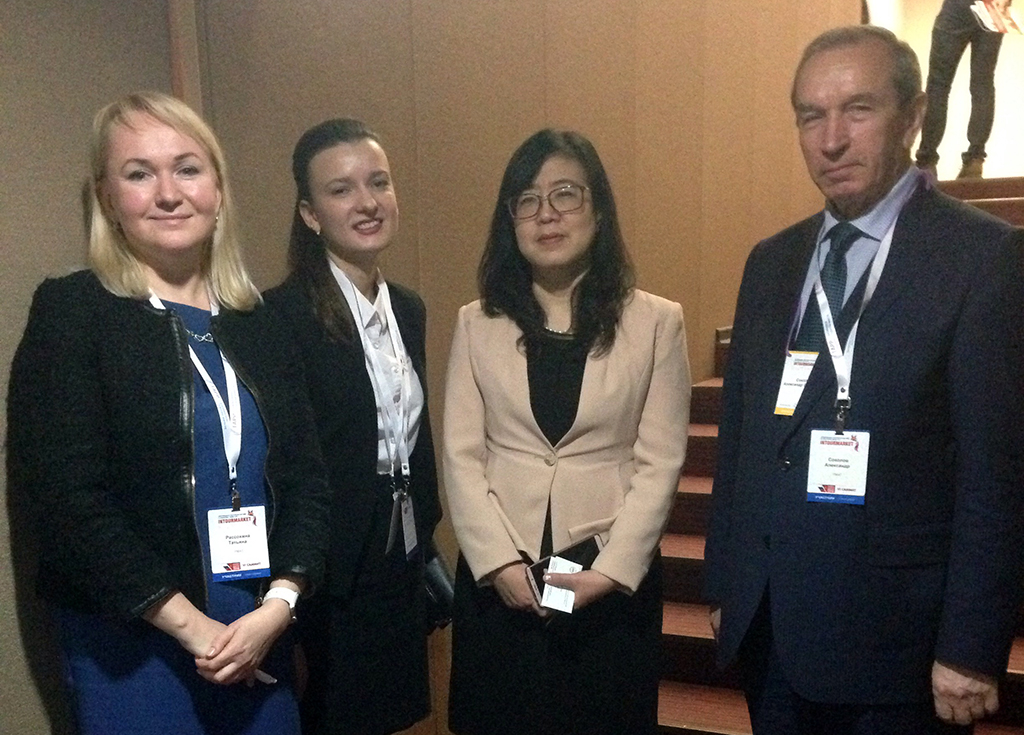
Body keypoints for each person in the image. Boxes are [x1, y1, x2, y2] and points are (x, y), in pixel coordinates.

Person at [703, 25, 1024, 734]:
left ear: (912, 117)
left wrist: (970, 647)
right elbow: (742, 441)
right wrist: (728, 583)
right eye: (810, 116)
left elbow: (996, 477)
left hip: (896, 647)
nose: (831, 139)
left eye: (858, 109)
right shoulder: (771, 262)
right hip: (772, 630)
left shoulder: (983, 259)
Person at [5, 91, 331, 735]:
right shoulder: (73, 312)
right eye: (139, 174)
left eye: (187, 169)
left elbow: (307, 482)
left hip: (257, 630)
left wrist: (279, 608)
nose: (168, 193)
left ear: (218, 188)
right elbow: (68, 501)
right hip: (134, 645)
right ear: (107, 198)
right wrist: (192, 628)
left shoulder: (260, 322)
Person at [443, 129, 691, 735]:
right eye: (527, 200)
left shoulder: (657, 322)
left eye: (565, 194)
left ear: (598, 210)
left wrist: (609, 573)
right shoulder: (476, 323)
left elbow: (660, 462)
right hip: (501, 579)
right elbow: (460, 455)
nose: (546, 214)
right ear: (510, 220)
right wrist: (498, 565)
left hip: (608, 578)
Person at [263, 118, 442, 735]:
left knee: (393, 714)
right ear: (310, 215)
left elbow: (412, 437)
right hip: (332, 563)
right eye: (341, 190)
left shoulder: (408, 309)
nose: (367, 202)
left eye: (378, 182)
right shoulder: (282, 315)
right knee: (337, 715)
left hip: (402, 549)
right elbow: (288, 458)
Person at [915, 0, 1011, 179]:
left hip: (958, 6)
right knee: (983, 84)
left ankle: (927, 159)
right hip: (994, 6)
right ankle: (975, 159)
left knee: (939, 84)